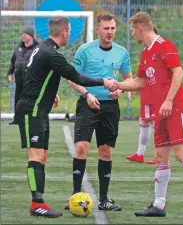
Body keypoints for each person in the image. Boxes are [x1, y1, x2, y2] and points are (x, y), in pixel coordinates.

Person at [108, 12, 183, 219]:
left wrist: (168, 100)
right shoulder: (145, 53)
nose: (132, 34)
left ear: (140, 28)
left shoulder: (164, 45)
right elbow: (140, 82)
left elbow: (179, 73)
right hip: (161, 112)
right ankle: (159, 205)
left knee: (181, 153)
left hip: (176, 107)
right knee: (160, 157)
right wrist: (120, 86)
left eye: (132, 30)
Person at [14, 16, 115, 218]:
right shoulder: (51, 53)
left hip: (39, 111)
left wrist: (50, 93)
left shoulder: (42, 48)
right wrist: (103, 81)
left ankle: (39, 201)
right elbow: (76, 77)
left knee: (42, 156)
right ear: (65, 32)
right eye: (69, 31)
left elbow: (29, 73)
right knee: (35, 156)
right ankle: (37, 203)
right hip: (31, 111)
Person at [65, 11, 132, 212]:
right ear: (97, 30)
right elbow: (71, 78)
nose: (110, 32)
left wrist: (120, 89)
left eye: (112, 28)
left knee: (106, 151)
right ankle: (75, 197)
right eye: (106, 28)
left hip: (110, 108)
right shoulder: (85, 50)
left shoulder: (122, 52)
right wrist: (87, 94)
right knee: (81, 148)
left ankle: (103, 199)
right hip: (87, 104)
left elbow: (128, 78)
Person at [7, 27, 39, 124]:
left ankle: (31, 118)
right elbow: (13, 61)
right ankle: (17, 119)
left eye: (25, 34)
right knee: (18, 98)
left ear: (31, 36)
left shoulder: (37, 48)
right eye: (22, 34)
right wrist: (10, 72)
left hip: (31, 80)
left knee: (30, 99)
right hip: (19, 79)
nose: (23, 36)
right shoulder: (18, 48)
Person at [126, 84, 156, 164]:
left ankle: (159, 157)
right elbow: (138, 82)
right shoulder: (145, 73)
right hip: (147, 101)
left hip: (153, 102)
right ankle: (140, 154)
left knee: (157, 126)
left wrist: (131, 90)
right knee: (144, 122)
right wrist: (131, 90)